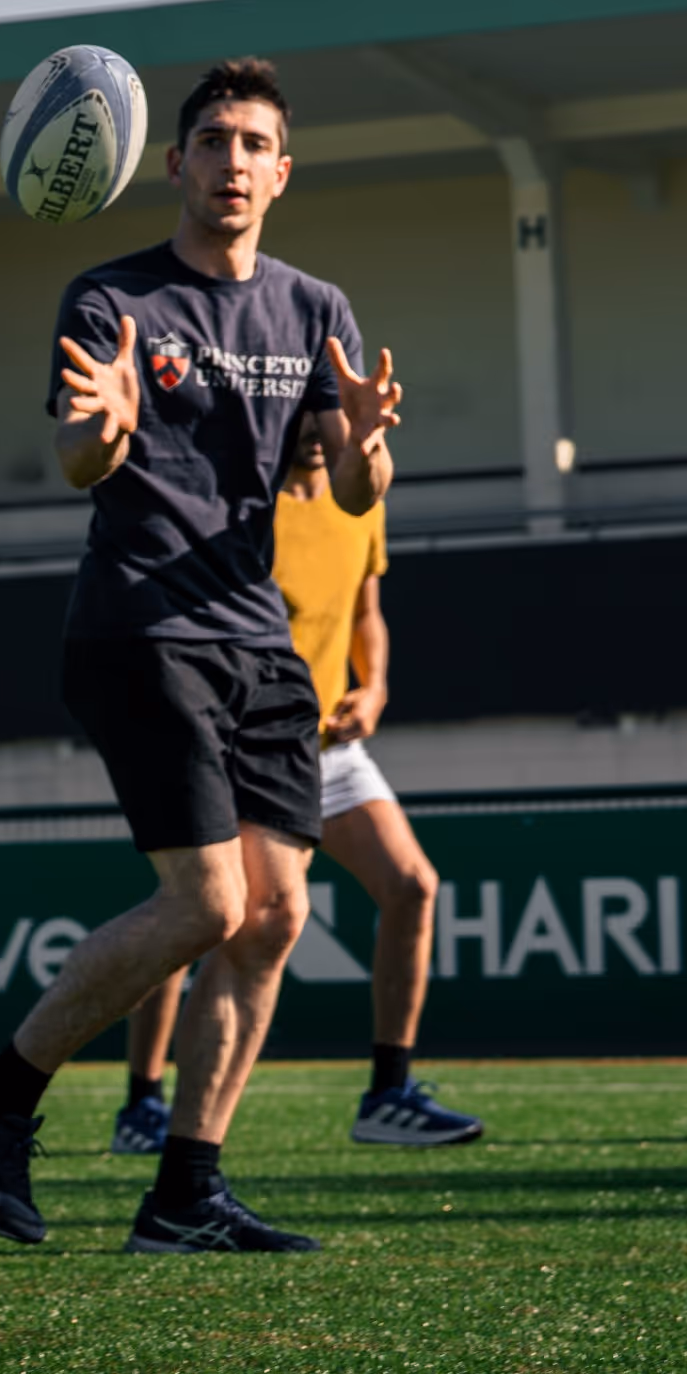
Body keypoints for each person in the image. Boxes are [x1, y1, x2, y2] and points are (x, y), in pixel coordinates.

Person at [0, 56, 402, 1255]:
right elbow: (81, 461)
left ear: (281, 173)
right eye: (214, 141)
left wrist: (368, 445)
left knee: (276, 912)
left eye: (255, 144)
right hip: (141, 626)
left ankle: (187, 1188)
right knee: (208, 900)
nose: (233, 161)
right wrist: (106, 427)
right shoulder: (111, 298)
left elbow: (351, 491)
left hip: (261, 636)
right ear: (175, 161)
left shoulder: (317, 309)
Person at [108, 420, 484, 1154]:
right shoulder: (240, 509)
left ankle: (389, 1093)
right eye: (303, 417)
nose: (315, 432)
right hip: (244, 746)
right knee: (201, 918)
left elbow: (365, 612)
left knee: (412, 885)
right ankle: (143, 1104)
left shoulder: (361, 501)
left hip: (328, 752)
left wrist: (372, 689)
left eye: (328, 417)